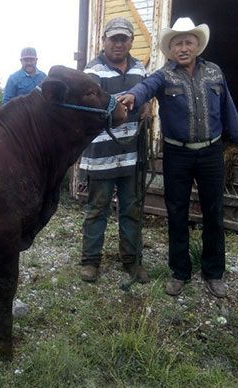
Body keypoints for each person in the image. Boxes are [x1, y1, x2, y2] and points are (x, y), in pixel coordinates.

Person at [118, 17, 238, 297]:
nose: (183, 47)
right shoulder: (163, 75)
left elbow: (228, 108)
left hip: (212, 152)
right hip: (177, 153)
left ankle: (214, 273)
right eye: (177, 43)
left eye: (188, 42)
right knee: (177, 213)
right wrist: (133, 95)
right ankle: (180, 273)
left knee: (214, 213)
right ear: (171, 48)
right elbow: (146, 87)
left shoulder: (214, 73)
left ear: (196, 45)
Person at [78, 17, 150, 284]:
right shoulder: (93, 71)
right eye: (114, 38)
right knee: (98, 209)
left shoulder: (140, 69)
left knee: (131, 209)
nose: (118, 43)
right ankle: (90, 261)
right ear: (104, 40)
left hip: (132, 154)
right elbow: (89, 107)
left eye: (124, 38)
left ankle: (132, 261)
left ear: (131, 41)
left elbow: (146, 96)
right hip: (101, 155)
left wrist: (146, 104)